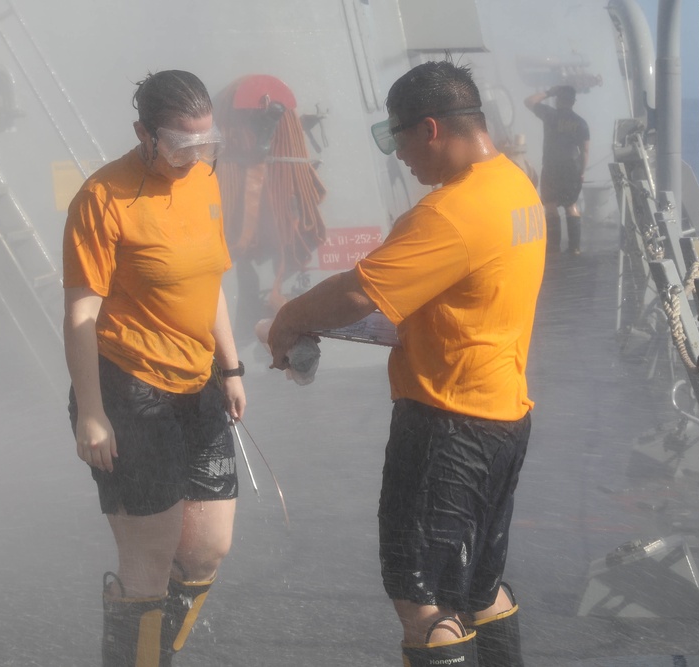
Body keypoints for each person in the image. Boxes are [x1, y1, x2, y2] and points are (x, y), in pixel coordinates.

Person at [268, 59, 545, 666]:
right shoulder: (514, 186)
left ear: (430, 129)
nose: (398, 155)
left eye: (395, 138)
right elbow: (443, 302)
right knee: (478, 588)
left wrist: (290, 318)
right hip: (503, 416)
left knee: (422, 602)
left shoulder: (449, 214)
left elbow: (357, 292)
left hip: (447, 422)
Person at [62, 69, 247, 666]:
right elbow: (81, 313)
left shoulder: (205, 182)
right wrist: (91, 412)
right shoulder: (103, 197)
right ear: (143, 133)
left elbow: (210, 281)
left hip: (200, 385)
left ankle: (152, 657)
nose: (193, 157)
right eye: (179, 145)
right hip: (129, 390)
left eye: (206, 144)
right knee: (148, 564)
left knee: (206, 552)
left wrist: (233, 366)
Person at [524, 85, 589, 254]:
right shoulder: (581, 122)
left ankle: (553, 247)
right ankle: (575, 247)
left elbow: (529, 101)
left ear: (557, 100)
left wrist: (548, 92)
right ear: (573, 102)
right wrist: (582, 171)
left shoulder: (550, 114)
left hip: (552, 166)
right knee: (571, 204)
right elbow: (585, 150)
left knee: (550, 205)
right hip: (571, 167)